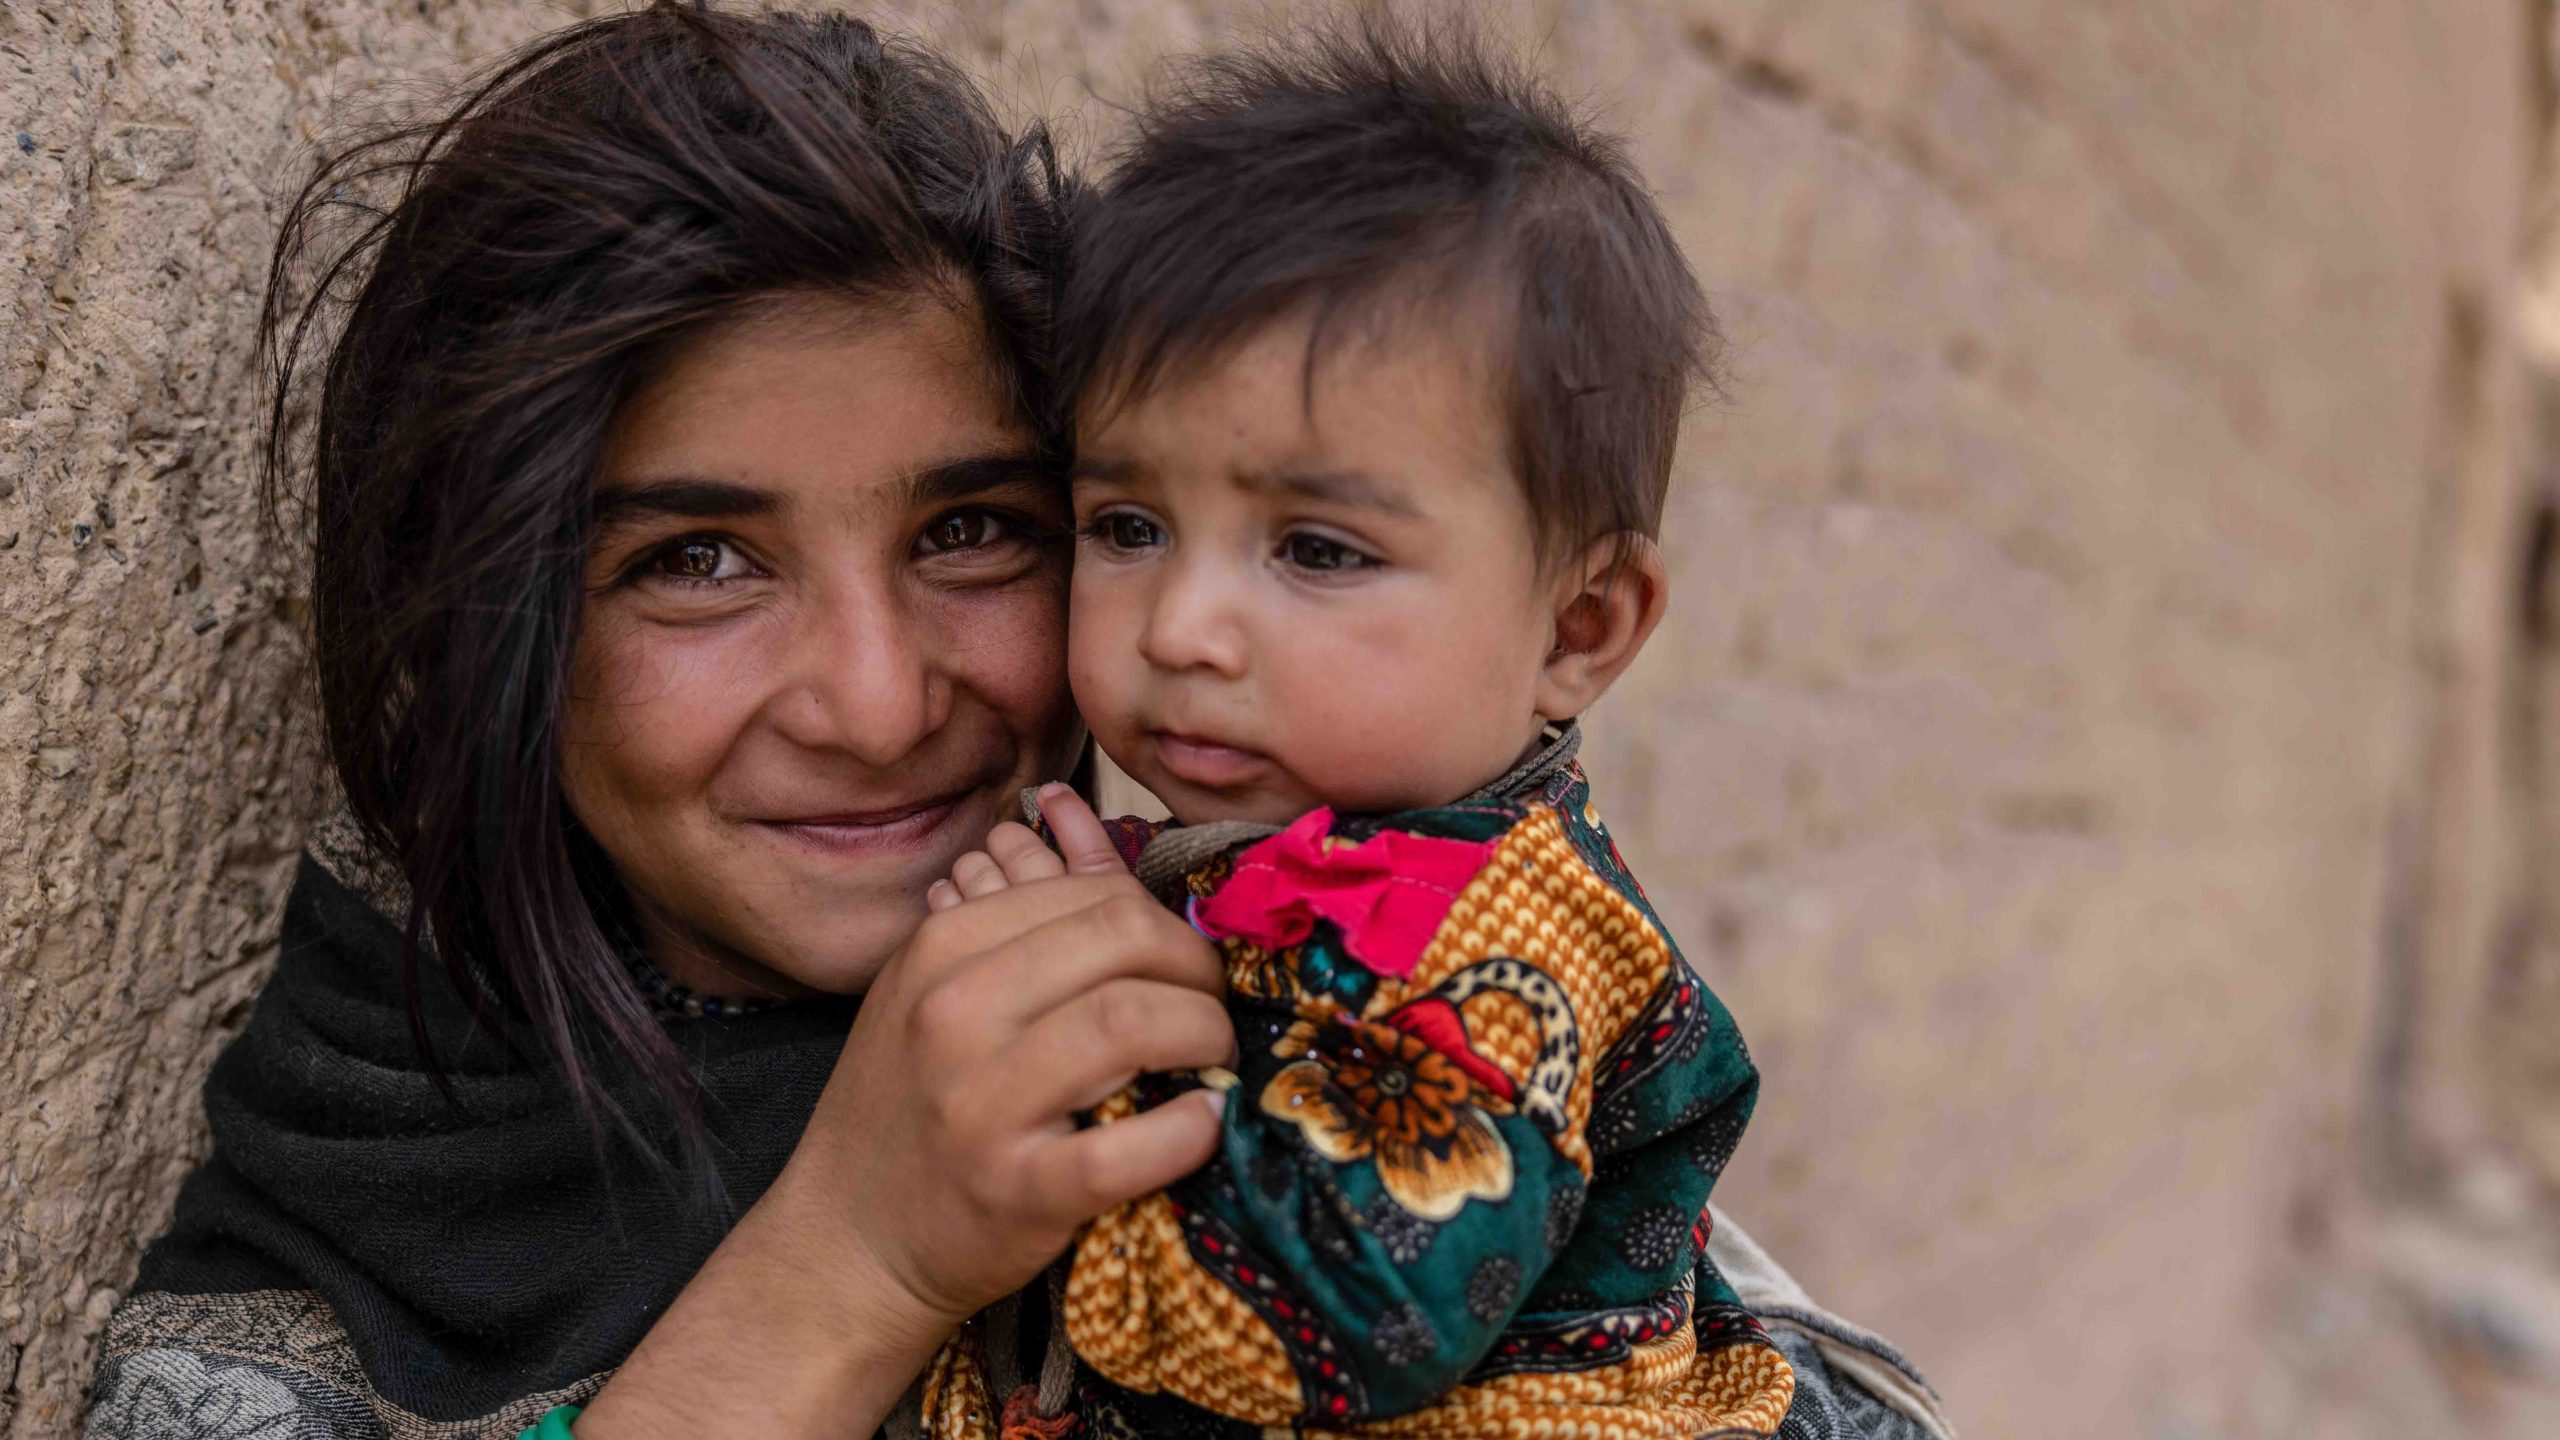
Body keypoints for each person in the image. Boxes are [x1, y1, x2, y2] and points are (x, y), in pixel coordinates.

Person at [82, 6, 1955, 1440]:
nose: (885, 703)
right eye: (696, 564)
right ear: (488, 617)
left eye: (979, 531)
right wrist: (859, 1261)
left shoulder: (1339, 999)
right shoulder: (358, 1194)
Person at [913, 18, 1792, 1439]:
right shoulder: (1274, 856)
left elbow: (1328, 1321)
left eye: (1318, 551)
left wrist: (1104, 1043)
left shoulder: (1505, 945)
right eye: (1127, 525)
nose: (1181, 628)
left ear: (1579, 628)